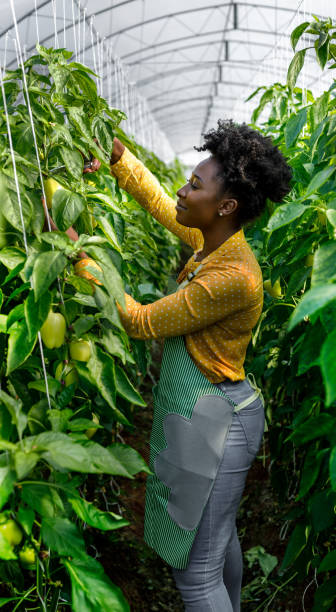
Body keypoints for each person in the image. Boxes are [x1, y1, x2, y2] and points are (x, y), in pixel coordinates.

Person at [75, 119, 292, 611]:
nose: (182, 189)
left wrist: (79, 257)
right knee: (218, 545)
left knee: (196, 576)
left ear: (226, 206)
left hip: (216, 424)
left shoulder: (232, 276)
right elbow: (157, 200)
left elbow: (137, 321)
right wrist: (117, 157)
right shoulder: (213, 245)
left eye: (195, 185)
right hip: (211, 415)